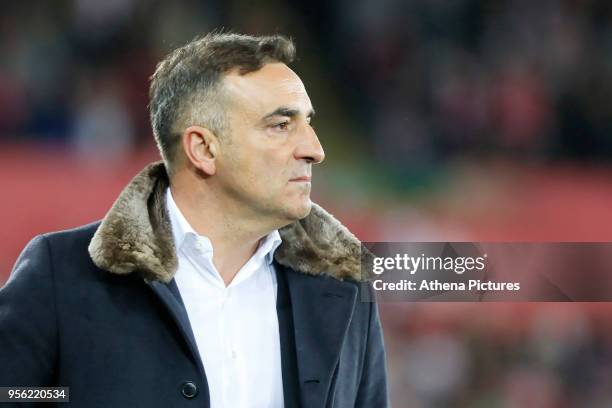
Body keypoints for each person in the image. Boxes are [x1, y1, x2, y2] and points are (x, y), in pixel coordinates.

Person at [0, 32, 388, 407]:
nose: (314, 149)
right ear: (202, 149)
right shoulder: (63, 272)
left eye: (308, 122)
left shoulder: (347, 286)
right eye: (281, 125)